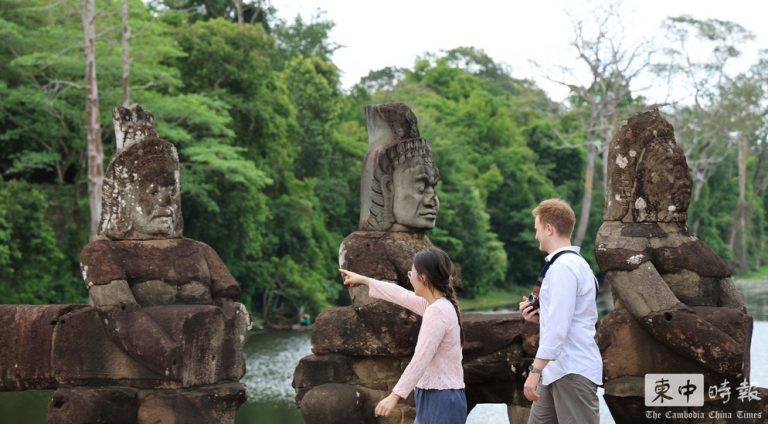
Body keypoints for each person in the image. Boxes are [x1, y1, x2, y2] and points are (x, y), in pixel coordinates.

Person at [339, 247, 466, 424]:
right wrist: (365, 280)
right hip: (436, 394)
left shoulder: (437, 311)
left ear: (423, 278)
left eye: (411, 273)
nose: (409, 277)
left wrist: (394, 396)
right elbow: (401, 295)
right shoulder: (437, 305)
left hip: (441, 398)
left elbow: (421, 358)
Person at [519, 199, 602, 424]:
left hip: (571, 370)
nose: (536, 235)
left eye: (537, 229)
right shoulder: (573, 264)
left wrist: (534, 372)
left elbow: (557, 329)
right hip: (556, 369)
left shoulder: (564, 268)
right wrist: (538, 317)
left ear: (549, 229)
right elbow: (565, 318)